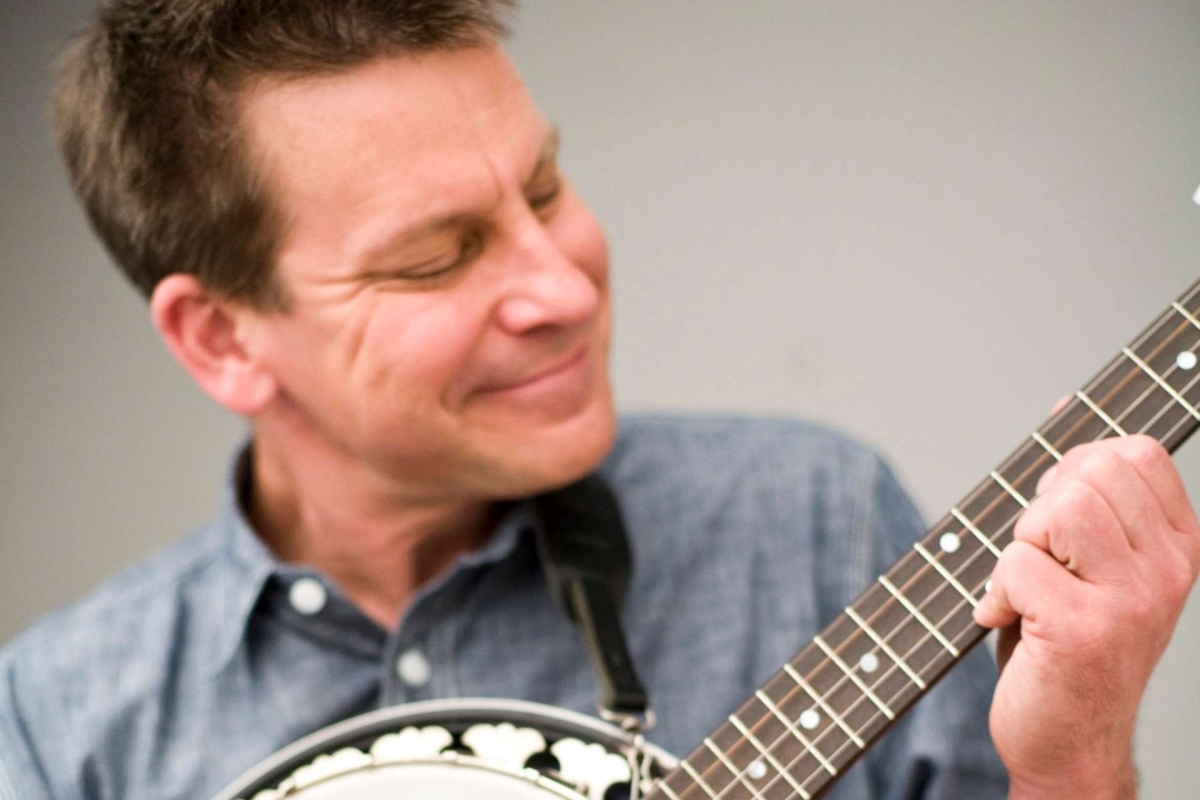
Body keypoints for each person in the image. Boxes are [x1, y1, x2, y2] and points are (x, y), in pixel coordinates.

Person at [1, 2, 1195, 798]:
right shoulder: (62, 724)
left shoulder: (814, 517)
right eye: (437, 254)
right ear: (220, 337)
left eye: (545, 185)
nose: (562, 283)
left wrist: (1077, 755)